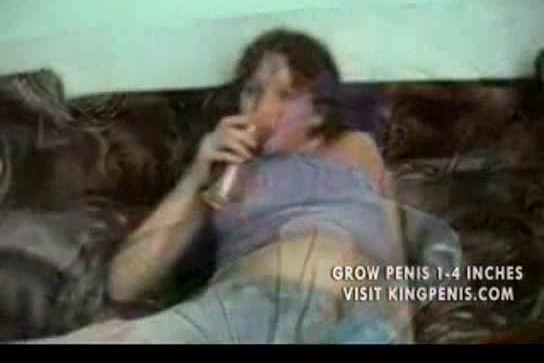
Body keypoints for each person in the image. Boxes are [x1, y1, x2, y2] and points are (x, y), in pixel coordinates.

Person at [26, 28, 461, 344]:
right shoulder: (228, 171)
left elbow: (394, 253)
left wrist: (401, 330)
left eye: (286, 94)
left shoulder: (357, 147)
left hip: (361, 324)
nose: (263, 107)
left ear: (319, 108)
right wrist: (199, 172)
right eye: (252, 91)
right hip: (246, 315)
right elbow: (124, 283)